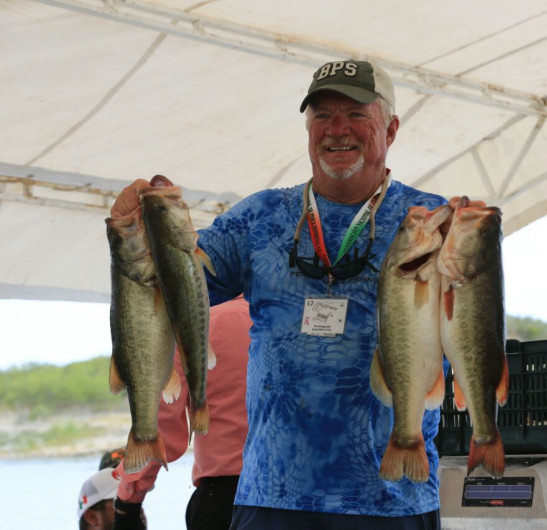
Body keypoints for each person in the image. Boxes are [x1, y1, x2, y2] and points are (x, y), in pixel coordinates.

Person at [109, 59, 447, 529]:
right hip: (271, 495)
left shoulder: (433, 222)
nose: (337, 129)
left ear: (389, 128)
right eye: (323, 116)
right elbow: (166, 294)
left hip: (392, 498)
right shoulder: (258, 219)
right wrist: (132, 237)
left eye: (355, 114)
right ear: (308, 129)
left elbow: (474, 327)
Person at [112, 296, 252, 530]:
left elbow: (160, 434)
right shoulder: (297, 319)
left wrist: (129, 501)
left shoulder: (194, 326)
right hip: (311, 497)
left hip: (225, 499)